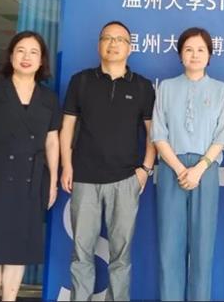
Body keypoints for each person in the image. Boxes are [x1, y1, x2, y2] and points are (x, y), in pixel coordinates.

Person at [60, 20, 156, 301]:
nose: (113, 44)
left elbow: (153, 133)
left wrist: (145, 169)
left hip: (126, 180)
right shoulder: (81, 81)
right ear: (99, 44)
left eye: (120, 39)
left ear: (130, 48)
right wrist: (67, 165)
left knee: (121, 255)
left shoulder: (142, 86)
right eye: (107, 38)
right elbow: (67, 127)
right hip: (84, 178)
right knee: (81, 253)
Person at [0, 31, 61, 302]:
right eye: (20, 50)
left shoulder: (48, 98)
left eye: (33, 52)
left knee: (18, 250)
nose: (26, 57)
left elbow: (52, 142)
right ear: (11, 56)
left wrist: (53, 182)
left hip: (31, 179)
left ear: (42, 61)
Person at [151, 27, 224, 301]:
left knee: (202, 248)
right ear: (180, 55)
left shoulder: (220, 90)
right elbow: (158, 134)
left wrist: (198, 169)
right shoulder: (166, 87)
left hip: (205, 171)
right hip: (172, 168)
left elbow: (222, 137)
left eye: (200, 50)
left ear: (209, 55)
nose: (194, 55)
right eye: (188, 49)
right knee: (169, 248)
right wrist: (179, 168)